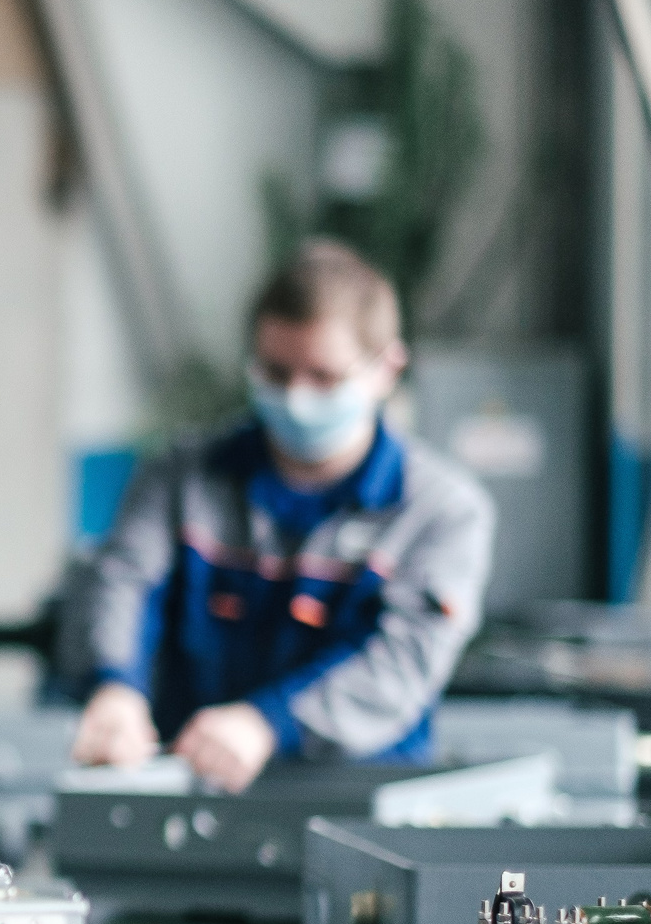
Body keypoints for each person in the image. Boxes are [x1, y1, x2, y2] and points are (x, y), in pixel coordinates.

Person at [68, 238, 493, 792]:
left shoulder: (442, 512)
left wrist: (268, 722)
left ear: (386, 368)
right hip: (190, 790)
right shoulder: (181, 478)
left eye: (324, 377)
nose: (296, 396)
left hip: (363, 801)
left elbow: (401, 661)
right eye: (275, 372)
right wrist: (115, 688)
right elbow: (122, 582)